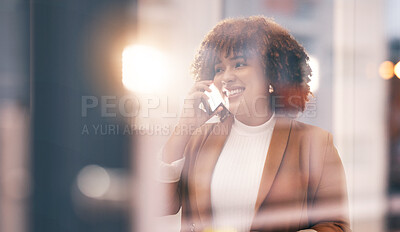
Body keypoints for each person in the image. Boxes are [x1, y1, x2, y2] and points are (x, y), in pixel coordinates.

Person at [157, 16, 351, 232]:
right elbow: (161, 206)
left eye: (239, 64)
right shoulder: (201, 137)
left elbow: (336, 227)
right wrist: (184, 128)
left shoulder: (314, 143)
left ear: (272, 73)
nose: (226, 77)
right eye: (219, 69)